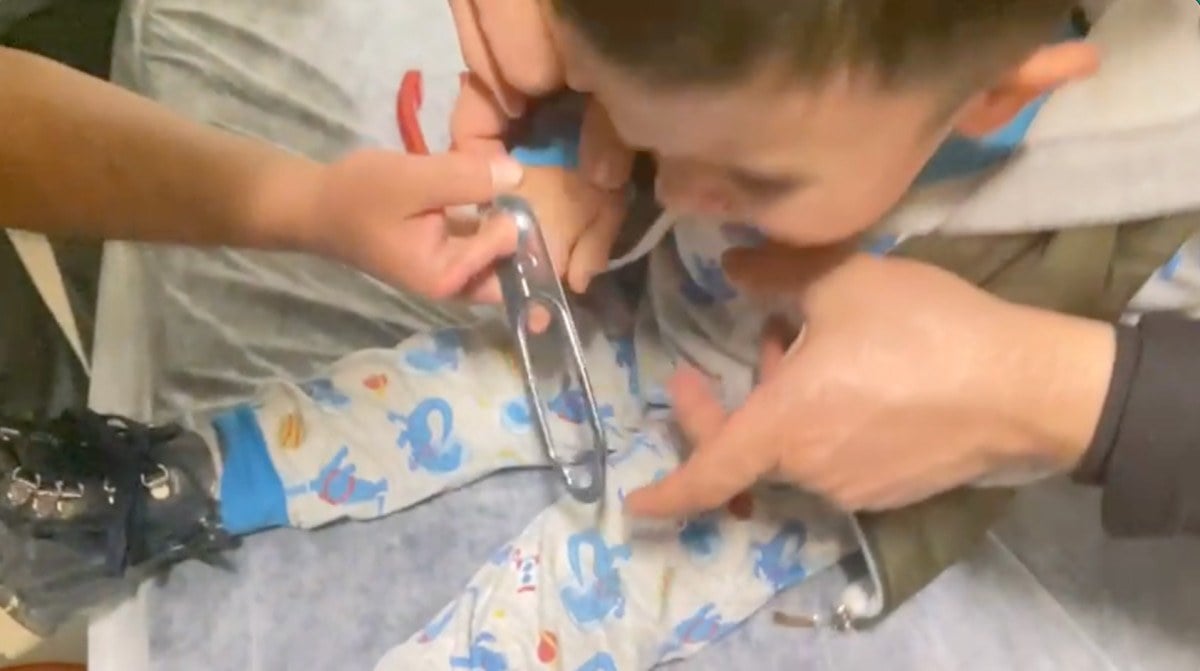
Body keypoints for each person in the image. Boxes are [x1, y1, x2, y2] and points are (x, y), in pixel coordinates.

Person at [454, 0, 1200, 539]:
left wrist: (1074, 397)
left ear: (996, 98)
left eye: (754, 178)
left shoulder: (1138, 194)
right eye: (646, 132)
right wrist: (560, 150)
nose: (676, 191)